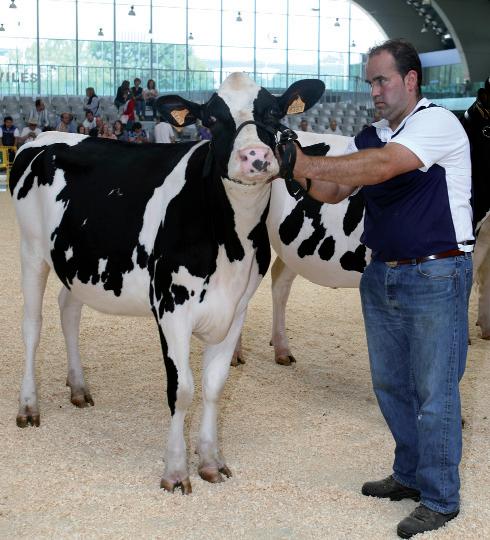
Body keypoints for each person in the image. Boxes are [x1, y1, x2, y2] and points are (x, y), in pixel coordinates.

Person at [277, 39, 473, 538]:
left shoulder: (436, 123)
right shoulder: (372, 135)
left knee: (435, 392)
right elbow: (333, 191)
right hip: (382, 272)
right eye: (370, 83)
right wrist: (290, 168)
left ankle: (440, 498)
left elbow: (382, 167)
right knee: (391, 385)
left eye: (382, 80)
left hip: (437, 272)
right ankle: (408, 474)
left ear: (411, 80)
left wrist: (305, 162)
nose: (374, 91)